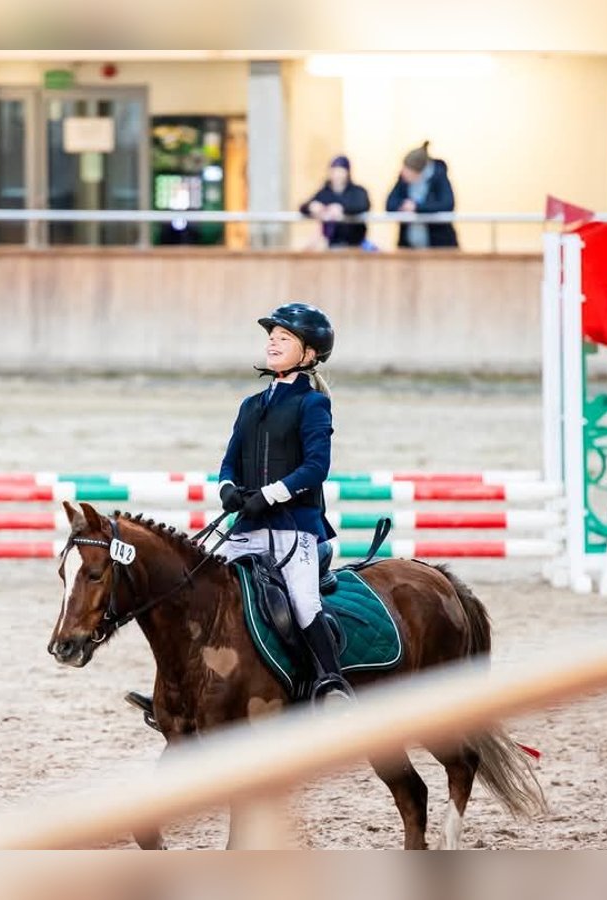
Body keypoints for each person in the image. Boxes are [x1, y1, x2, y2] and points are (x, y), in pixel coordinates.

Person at [126, 303, 351, 723]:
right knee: (196, 591)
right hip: (247, 524)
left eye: (283, 338)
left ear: (308, 355)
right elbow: (229, 460)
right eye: (271, 336)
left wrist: (270, 494)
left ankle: (331, 681)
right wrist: (228, 487)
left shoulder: (312, 405)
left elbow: (316, 468)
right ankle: (176, 689)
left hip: (294, 528)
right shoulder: (250, 405)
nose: (272, 341)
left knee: (303, 602)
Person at [385, 142, 458, 249]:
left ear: (419, 172)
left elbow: (447, 204)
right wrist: (403, 206)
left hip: (439, 245)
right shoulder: (403, 180)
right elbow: (390, 204)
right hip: (409, 247)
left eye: (408, 171)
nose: (404, 174)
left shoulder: (439, 177)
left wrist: (417, 207)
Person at [299, 156, 371, 249]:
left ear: (347, 173)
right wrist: (311, 206)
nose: (337, 175)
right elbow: (303, 207)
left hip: (354, 243)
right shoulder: (325, 192)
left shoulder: (357, 191)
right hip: (332, 243)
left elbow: (363, 205)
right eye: (334, 171)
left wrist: (342, 209)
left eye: (340, 171)